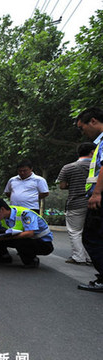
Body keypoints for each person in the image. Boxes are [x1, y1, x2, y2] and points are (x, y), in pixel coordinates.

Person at [0, 198, 53, 268]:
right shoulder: (4, 216)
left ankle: (32, 260)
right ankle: (3, 257)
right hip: (26, 239)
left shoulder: (25, 214)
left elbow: (30, 233)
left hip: (43, 243)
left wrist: (6, 238)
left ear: (2, 209)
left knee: (20, 240)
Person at [74, 107, 103, 292]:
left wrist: (97, 193)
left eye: (82, 127)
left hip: (101, 198)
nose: (83, 131)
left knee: (92, 238)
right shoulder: (99, 143)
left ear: (92, 121)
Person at [57, 142, 96, 265]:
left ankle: (78, 257)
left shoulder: (68, 167)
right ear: (92, 152)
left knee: (75, 231)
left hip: (76, 203)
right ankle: (92, 258)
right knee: (91, 232)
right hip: (95, 203)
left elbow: (62, 186)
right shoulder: (98, 167)